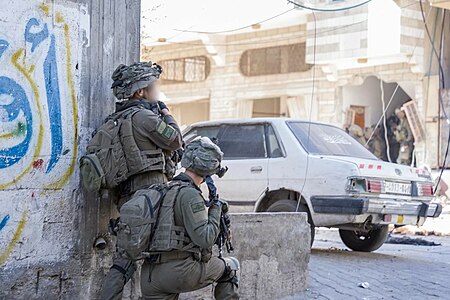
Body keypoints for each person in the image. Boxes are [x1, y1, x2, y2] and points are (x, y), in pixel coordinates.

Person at [99, 61, 183, 300]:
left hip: (128, 198)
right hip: (152, 196)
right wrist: (166, 113)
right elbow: (175, 139)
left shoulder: (115, 119)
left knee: (125, 258)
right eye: (152, 85)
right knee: (166, 256)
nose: (155, 90)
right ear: (140, 91)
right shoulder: (144, 117)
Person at [140, 137, 239, 300]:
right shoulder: (190, 195)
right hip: (177, 272)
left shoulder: (167, 189)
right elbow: (205, 239)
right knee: (231, 267)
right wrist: (216, 208)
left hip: (150, 275)